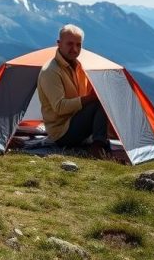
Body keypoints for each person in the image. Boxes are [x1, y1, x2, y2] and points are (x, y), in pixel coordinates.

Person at [37, 24, 110, 159]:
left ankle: (100, 143)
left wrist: (95, 95)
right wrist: (90, 98)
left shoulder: (79, 66)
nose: (74, 49)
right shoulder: (50, 71)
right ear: (58, 44)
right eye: (70, 44)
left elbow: (84, 97)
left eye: (78, 45)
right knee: (97, 103)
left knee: (101, 100)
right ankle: (98, 147)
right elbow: (59, 107)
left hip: (75, 122)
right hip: (61, 133)